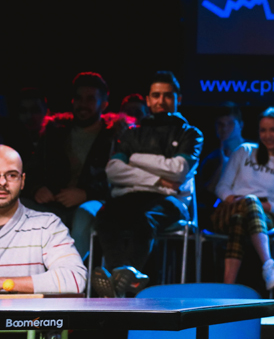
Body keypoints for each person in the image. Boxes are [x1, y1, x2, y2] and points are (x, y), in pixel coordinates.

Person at [91, 71, 203, 298]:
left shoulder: (191, 134)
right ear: (148, 100)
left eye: (168, 95)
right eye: (156, 95)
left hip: (170, 200)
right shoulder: (133, 134)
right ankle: (125, 276)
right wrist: (158, 180)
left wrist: (135, 159)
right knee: (104, 216)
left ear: (178, 99)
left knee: (143, 219)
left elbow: (178, 170)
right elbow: (113, 170)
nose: (161, 101)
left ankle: (118, 280)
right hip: (134, 196)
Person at [23, 72, 128, 261]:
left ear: (104, 104)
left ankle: (68, 274)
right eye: (78, 98)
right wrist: (37, 188)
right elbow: (31, 171)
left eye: (90, 99)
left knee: (83, 216)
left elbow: (120, 179)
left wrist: (86, 193)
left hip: (95, 201)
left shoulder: (115, 137)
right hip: (54, 202)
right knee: (13, 207)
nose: (83, 104)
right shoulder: (55, 132)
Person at [213, 107, 274, 290]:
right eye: (263, 130)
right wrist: (238, 201)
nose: (268, 135)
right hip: (230, 208)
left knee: (240, 219)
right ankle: (268, 264)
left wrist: (261, 205)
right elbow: (221, 187)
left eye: (273, 130)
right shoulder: (244, 151)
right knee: (246, 205)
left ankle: (227, 289)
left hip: (266, 217)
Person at [0, 145, 87, 294]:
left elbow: (74, 279)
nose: (2, 182)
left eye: (12, 175)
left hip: (25, 311)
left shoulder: (47, 226)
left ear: (23, 181)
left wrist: (5, 283)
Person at [196, 102, 246, 228]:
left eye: (230, 123)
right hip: (222, 212)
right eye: (220, 124)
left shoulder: (255, 153)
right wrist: (223, 164)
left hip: (250, 207)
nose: (224, 128)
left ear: (240, 125)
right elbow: (206, 196)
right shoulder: (211, 160)